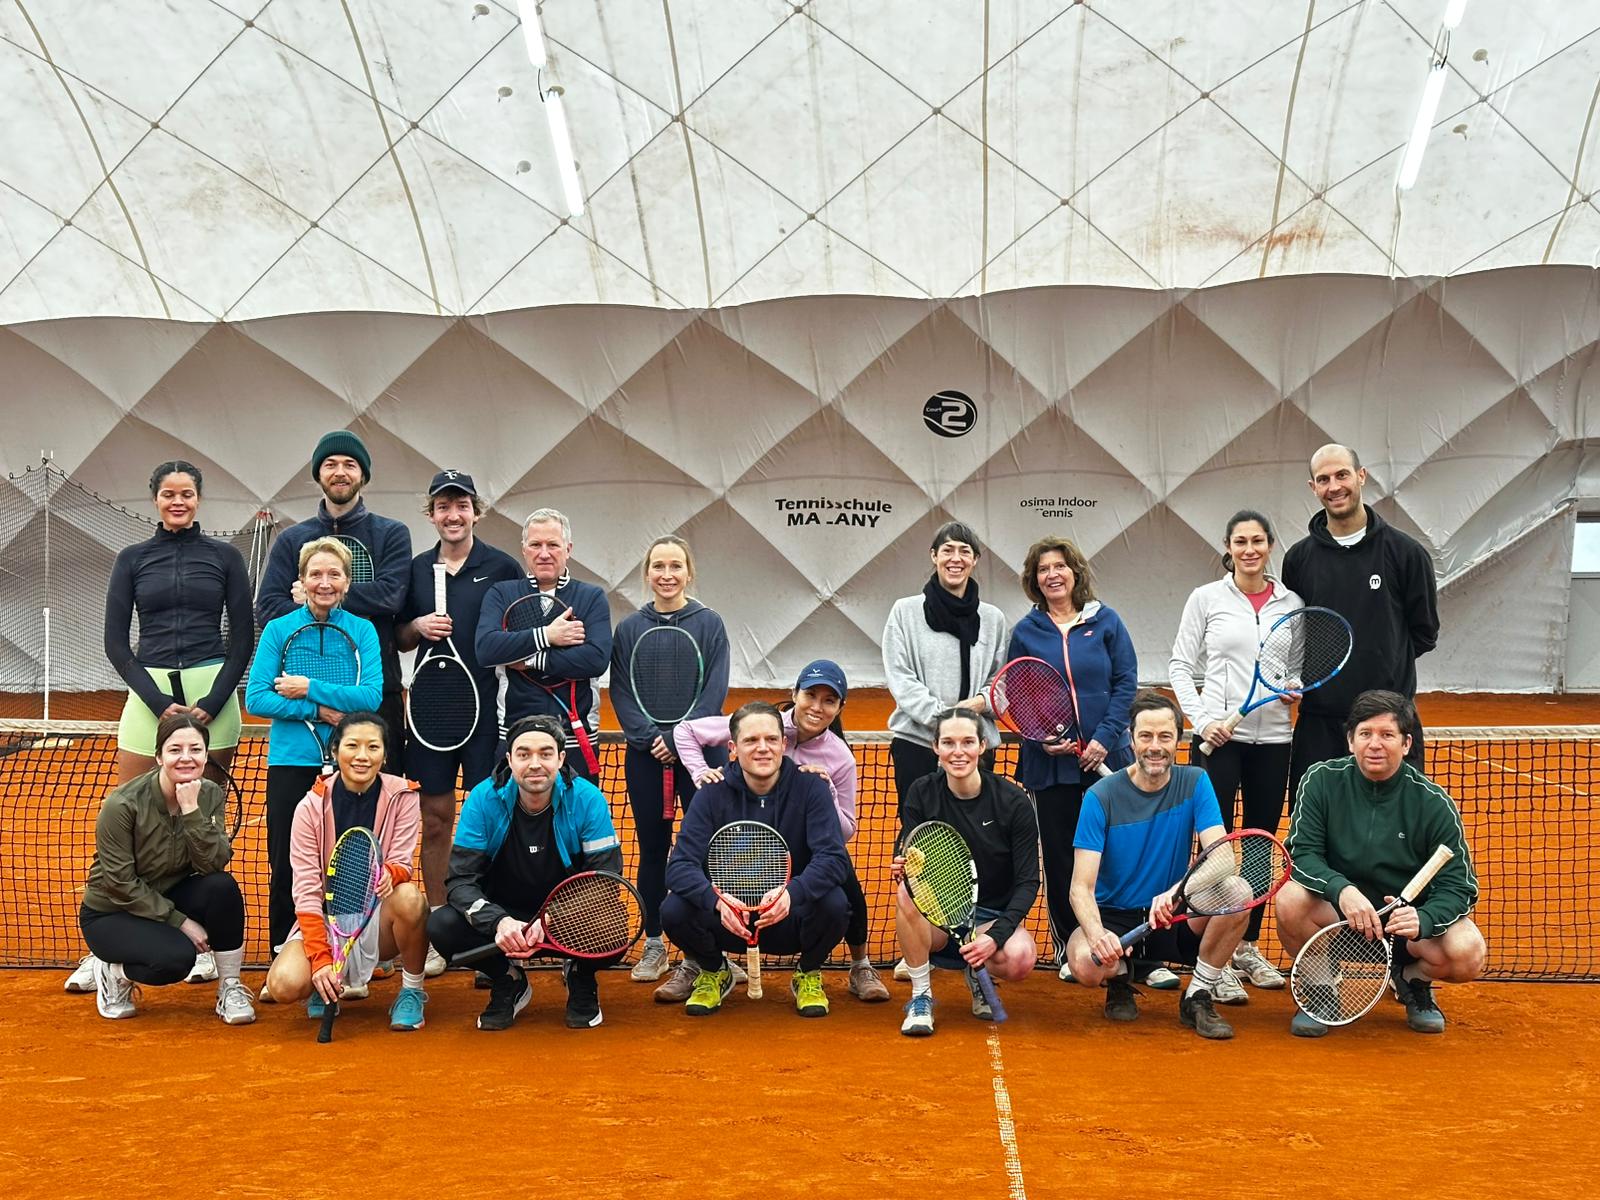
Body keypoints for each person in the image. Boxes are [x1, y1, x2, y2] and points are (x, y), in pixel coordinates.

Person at [69, 460, 254, 994]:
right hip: (149, 694)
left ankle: (204, 948)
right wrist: (158, 704)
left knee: (201, 814)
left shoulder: (225, 557)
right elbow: (115, 642)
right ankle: (107, 948)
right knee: (132, 810)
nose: (178, 501)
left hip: (212, 692)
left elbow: (242, 636)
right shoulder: (131, 559)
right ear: (155, 498)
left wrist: (212, 701)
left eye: (187, 493)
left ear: (198, 499)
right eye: (169, 493)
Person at [674, 660, 889, 1004]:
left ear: (840, 708)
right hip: (742, 846)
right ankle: (706, 966)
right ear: (794, 695)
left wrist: (827, 793)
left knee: (839, 882)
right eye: (810, 695)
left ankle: (849, 965)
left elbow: (844, 831)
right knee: (682, 894)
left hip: (799, 844)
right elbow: (686, 732)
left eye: (829, 700)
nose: (817, 707)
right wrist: (701, 774)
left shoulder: (839, 758)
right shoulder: (759, 721)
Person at [1278, 690, 1484, 1037]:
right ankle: (1321, 989)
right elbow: (1302, 855)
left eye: (1387, 734)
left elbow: (1458, 886)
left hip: (1404, 932)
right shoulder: (1321, 781)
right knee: (1290, 899)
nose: (1375, 744)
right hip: (1338, 920)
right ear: (1350, 740)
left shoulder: (1433, 803)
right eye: (1365, 734)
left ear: (1406, 743)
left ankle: (1412, 981)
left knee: (1468, 951)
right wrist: (1342, 891)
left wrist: (1424, 918)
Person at [1169, 510, 1303, 995]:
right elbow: (1180, 665)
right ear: (1228, 547)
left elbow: (1293, 668)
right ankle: (1214, 956)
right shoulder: (1206, 598)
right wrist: (1202, 720)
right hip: (1219, 742)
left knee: (1262, 845)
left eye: (1258, 541)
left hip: (1274, 741)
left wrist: (1291, 688)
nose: (1250, 549)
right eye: (1240, 541)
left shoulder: (1292, 603)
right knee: (1216, 847)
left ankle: (1245, 944)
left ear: (1269, 546)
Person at [1063, 692, 1248, 1041]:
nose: (1155, 747)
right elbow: (1080, 889)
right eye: (1146, 736)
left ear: (1178, 740)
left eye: (1165, 736)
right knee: (1086, 965)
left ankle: (1198, 995)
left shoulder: (1195, 781)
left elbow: (1224, 859)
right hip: (1115, 917)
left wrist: (1177, 892)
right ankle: (1120, 978)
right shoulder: (1100, 796)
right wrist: (1099, 936)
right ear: (1131, 739)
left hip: (1171, 915)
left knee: (1238, 892)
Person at [395, 470, 521, 977]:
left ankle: (495, 928)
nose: (453, 515)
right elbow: (399, 637)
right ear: (431, 515)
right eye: (443, 506)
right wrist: (416, 625)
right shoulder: (415, 569)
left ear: (476, 511)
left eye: (461, 505)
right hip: (430, 714)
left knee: (494, 818)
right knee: (435, 820)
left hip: (487, 713)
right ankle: (440, 925)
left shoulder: (502, 567)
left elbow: (518, 633)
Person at [426, 715, 625, 1030]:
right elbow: (460, 880)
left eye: (545, 754)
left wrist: (549, 920)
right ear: (509, 759)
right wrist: (499, 921)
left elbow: (605, 881)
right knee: (442, 925)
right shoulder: (483, 799)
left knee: (611, 927)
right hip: (503, 914)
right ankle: (508, 979)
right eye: (524, 754)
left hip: (563, 915)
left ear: (561, 758)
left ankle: (580, 975)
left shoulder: (587, 799)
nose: (535, 764)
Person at [661, 702, 850, 1018]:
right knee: (674, 909)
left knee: (836, 904)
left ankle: (808, 972)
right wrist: (716, 900)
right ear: (733, 749)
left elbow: (833, 858)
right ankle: (714, 970)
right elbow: (679, 867)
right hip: (730, 919)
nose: (763, 748)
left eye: (771, 739)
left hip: (787, 916)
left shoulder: (811, 788)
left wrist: (792, 894)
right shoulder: (711, 792)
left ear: (784, 744)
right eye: (751, 740)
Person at [1003, 536, 1136, 978]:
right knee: (1061, 856)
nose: (1052, 575)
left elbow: (1125, 682)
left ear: (1075, 572)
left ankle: (1130, 944)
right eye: (1043, 569)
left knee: (1116, 852)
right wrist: (1041, 735)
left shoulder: (1107, 621)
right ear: (1034, 579)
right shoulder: (1026, 631)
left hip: (1107, 757)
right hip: (1049, 764)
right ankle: (1069, 947)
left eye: (1060, 566)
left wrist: (1104, 738)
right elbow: (1018, 691)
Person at [245, 537, 383, 959]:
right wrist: (320, 710)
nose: (325, 583)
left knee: (350, 860)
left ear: (346, 582)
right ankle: (284, 953)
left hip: (350, 762)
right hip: (291, 761)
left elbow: (371, 696)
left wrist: (309, 688)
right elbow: (257, 698)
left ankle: (348, 955)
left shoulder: (363, 630)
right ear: (301, 581)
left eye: (334, 574)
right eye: (316, 574)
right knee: (287, 860)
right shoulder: (278, 630)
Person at [1282, 444, 1439, 803]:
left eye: (1342, 475)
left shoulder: (1407, 553)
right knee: (1315, 822)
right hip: (1320, 723)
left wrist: (1382, 662)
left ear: (1361, 476)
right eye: (1324, 479)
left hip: (1388, 721)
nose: (1334, 486)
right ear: (1313, 488)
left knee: (1397, 825)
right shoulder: (1298, 559)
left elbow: (1424, 632)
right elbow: (1297, 631)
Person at [608, 536, 731, 986]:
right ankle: (656, 943)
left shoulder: (710, 624)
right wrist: (650, 738)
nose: (666, 574)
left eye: (675, 566)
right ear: (647, 574)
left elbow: (714, 689)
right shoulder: (629, 629)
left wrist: (680, 740)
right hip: (646, 757)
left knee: (711, 848)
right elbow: (621, 690)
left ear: (688, 572)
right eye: (658, 566)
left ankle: (714, 945)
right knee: (653, 849)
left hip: (703, 755)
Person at [77, 714, 254, 1024]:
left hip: (168, 894)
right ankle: (113, 972)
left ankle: (230, 986)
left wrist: (191, 811)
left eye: (195, 749)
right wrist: (180, 921)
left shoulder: (210, 794)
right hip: (112, 912)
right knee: (175, 960)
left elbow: (212, 863)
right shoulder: (122, 804)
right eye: (175, 750)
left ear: (205, 756)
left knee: (222, 887)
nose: (186, 757)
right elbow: (120, 882)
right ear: (159, 756)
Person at [262, 713, 428, 1030]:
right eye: (352, 746)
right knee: (283, 984)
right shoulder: (309, 808)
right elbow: (307, 892)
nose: (362, 756)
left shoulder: (404, 796)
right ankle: (322, 984)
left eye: (373, 747)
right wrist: (321, 958)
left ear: (385, 755)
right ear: (335, 750)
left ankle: (412, 991)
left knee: (410, 898)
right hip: (328, 923)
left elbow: (402, 863)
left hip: (377, 920)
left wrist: (391, 873)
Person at [255, 430, 411, 755]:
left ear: (363, 475)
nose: (340, 472)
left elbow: (391, 596)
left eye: (350, 464)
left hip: (375, 693)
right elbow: (268, 608)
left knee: (381, 785)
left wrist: (321, 596)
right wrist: (317, 607)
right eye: (330, 464)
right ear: (318, 475)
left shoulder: (392, 534)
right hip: (300, 694)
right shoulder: (290, 539)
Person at [892, 708, 1039, 1037]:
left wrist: (994, 936)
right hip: (941, 917)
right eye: (948, 743)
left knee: (1020, 957)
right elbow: (912, 854)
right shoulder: (921, 793)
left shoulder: (1014, 802)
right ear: (936, 747)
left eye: (967, 742)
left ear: (982, 746)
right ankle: (921, 996)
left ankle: (977, 972)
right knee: (906, 893)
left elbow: (1028, 882)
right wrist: (904, 868)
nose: (958, 752)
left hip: (990, 916)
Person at [475, 508, 613, 784]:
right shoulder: (502, 593)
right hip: (514, 735)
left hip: (575, 737)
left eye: (553, 545)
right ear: (524, 549)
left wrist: (529, 660)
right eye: (536, 545)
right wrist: (547, 636)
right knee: (511, 810)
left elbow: (595, 659)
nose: (544, 553)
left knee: (575, 811)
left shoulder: (591, 596)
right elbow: (487, 648)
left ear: (568, 549)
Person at [883, 520, 1009, 807]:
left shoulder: (993, 619)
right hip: (917, 745)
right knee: (920, 830)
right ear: (934, 555)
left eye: (965, 551)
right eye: (947, 550)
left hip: (975, 745)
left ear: (975, 560)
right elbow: (901, 678)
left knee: (976, 828)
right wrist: (948, 721)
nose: (956, 558)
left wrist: (978, 703)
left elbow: (1001, 682)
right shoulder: (904, 612)